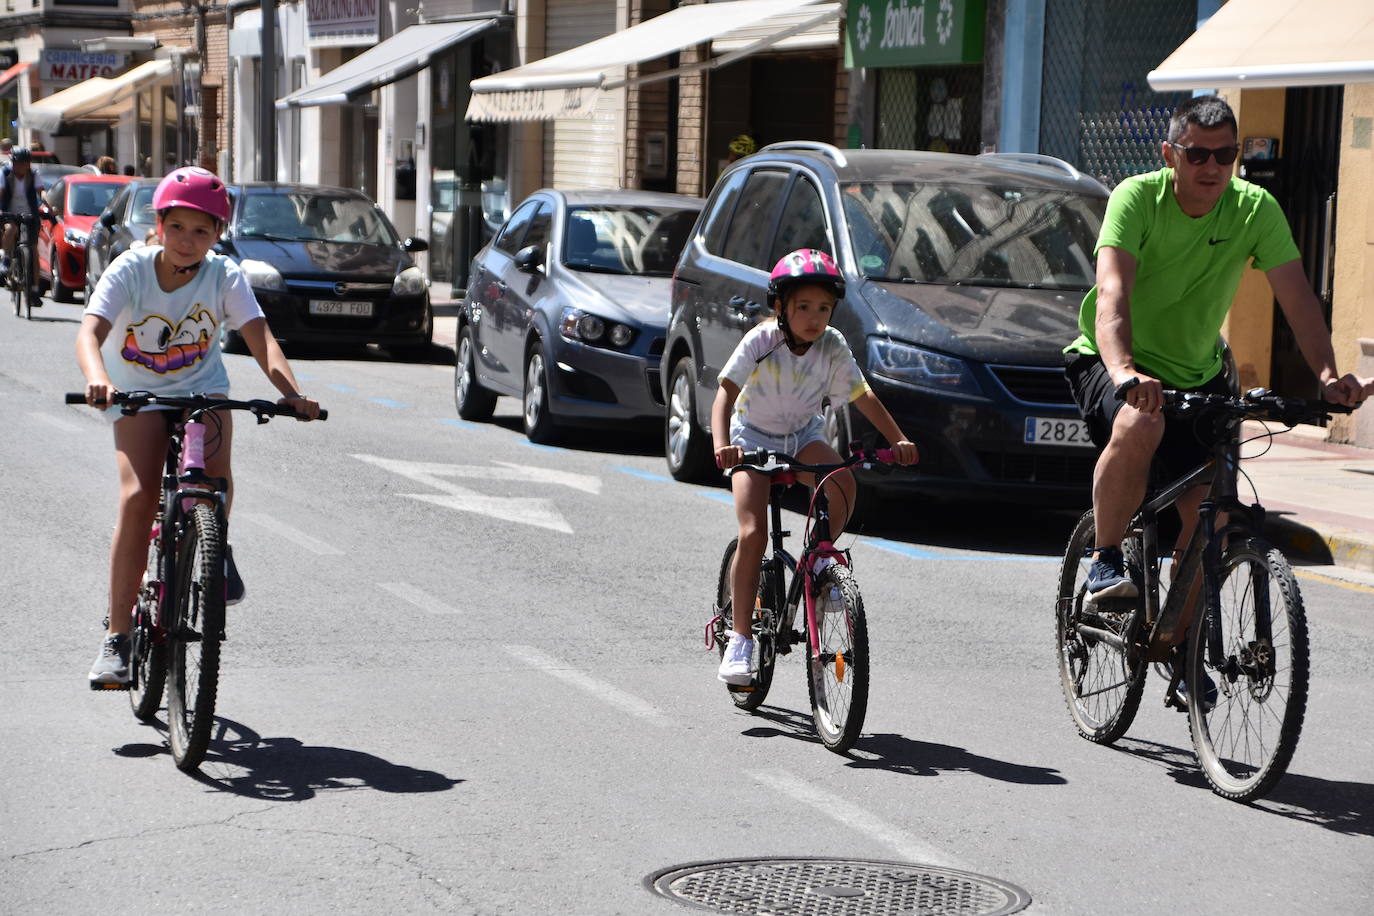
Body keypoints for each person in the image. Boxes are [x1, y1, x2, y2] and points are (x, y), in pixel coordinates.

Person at [1065, 94, 1372, 607]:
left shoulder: (1255, 209)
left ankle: (1179, 663)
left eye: (1224, 155)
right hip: (1112, 359)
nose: (1212, 167)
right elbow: (1113, 293)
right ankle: (1106, 558)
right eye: (1197, 154)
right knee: (1141, 422)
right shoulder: (1136, 198)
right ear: (1169, 155)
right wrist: (1123, 373)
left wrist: (1326, 376)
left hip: (1199, 372)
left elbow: (1297, 297)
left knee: (1214, 517)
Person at [77, 166, 322, 688]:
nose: (189, 241)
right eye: (178, 228)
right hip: (136, 396)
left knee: (214, 479)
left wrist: (292, 394)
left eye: (202, 231)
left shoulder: (224, 276)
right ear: (159, 225)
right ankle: (117, 639)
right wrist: (98, 379)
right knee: (138, 496)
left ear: (217, 236)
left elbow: (262, 340)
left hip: (201, 390)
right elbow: (89, 333)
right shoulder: (130, 269)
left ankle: (214, 548)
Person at [712, 248, 918, 685]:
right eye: (803, 306)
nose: (814, 317)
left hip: (802, 436)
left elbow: (864, 397)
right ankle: (741, 640)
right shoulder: (761, 342)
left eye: (823, 308)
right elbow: (724, 395)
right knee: (753, 534)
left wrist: (896, 438)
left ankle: (822, 565)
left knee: (842, 482)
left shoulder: (832, 345)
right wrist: (722, 444)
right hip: (751, 436)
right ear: (780, 308)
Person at [0, 148, 48, 291]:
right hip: (9, 212)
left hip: (29, 213)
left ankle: (34, 288)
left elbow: (42, 192)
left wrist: (50, 206)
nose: (20, 167)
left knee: (33, 249)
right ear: (12, 163)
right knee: (10, 229)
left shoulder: (34, 175)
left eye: (24, 163)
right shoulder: (5, 173)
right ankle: (6, 259)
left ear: (29, 164)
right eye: (17, 163)